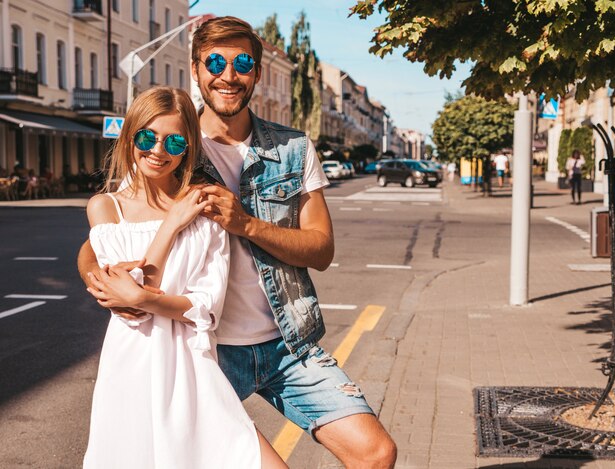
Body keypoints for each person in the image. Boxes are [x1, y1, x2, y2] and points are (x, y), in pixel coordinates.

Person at [78, 16, 396, 468]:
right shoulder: (171, 141)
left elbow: (322, 250)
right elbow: (114, 226)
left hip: (287, 343)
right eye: (216, 62)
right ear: (195, 69)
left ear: (257, 73)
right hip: (207, 347)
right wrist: (104, 282)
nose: (229, 75)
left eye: (242, 62)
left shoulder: (294, 148)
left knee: (376, 453)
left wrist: (245, 223)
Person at [81, 86, 285, 468]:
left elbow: (206, 307)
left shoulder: (205, 208)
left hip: (193, 369)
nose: (158, 150)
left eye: (173, 141)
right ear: (130, 138)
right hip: (132, 368)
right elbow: (130, 306)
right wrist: (170, 225)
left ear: (187, 147)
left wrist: (144, 297)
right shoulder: (105, 208)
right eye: (147, 137)